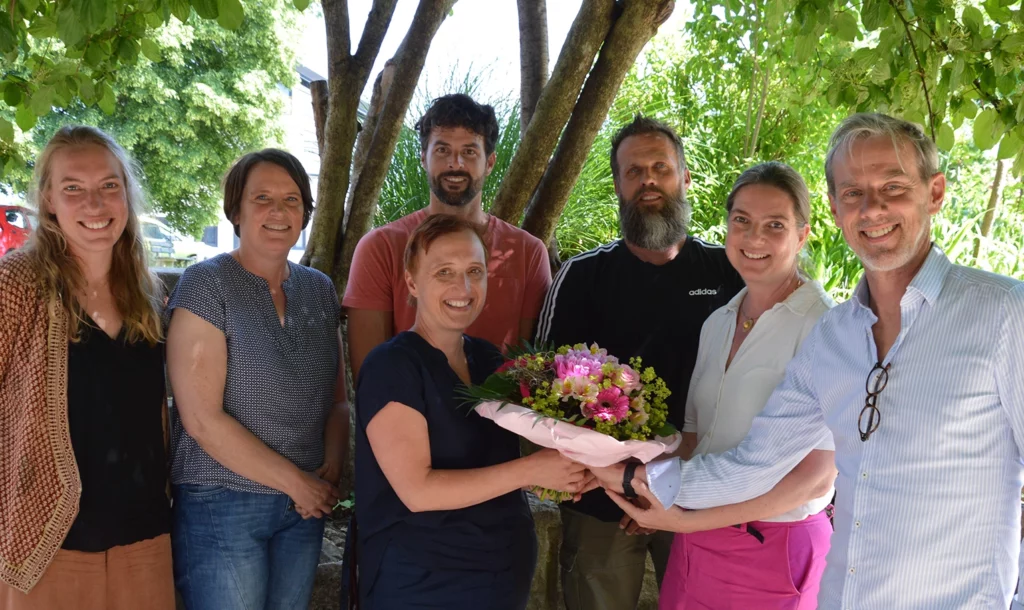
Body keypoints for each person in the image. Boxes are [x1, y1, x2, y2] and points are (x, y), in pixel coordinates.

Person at [594, 113, 1024, 609]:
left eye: (893, 186)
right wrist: (628, 477)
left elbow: (812, 480)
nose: (872, 208)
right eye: (852, 193)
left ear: (936, 193)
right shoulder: (835, 337)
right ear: (837, 209)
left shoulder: (1002, 313)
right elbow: (754, 463)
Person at [537, 115, 744, 610]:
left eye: (661, 168)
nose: (648, 180)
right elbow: (543, 394)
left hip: (702, 494)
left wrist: (671, 481)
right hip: (601, 501)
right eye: (634, 172)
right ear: (618, 186)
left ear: (685, 178)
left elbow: (754, 388)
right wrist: (625, 480)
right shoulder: (581, 278)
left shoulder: (731, 272)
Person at [354, 214, 590, 609]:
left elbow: (515, 457)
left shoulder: (487, 357)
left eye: (474, 271)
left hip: (502, 570)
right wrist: (531, 472)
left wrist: (582, 469)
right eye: (444, 272)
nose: (462, 287)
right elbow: (417, 490)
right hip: (421, 581)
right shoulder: (392, 367)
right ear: (412, 282)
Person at [0, 125, 174, 609]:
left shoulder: (146, 293)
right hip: (48, 544)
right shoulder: (19, 282)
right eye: (73, 188)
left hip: (145, 540)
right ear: (49, 200)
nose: (94, 205)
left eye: (108, 186)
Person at [166, 149, 347, 610]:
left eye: (291, 200)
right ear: (236, 210)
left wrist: (329, 465)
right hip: (222, 500)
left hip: (303, 506)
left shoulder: (319, 289)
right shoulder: (206, 284)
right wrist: (299, 483)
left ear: (305, 213)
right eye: (262, 197)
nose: (278, 211)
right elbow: (202, 420)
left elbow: (337, 398)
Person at [652, 162, 837, 609]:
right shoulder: (716, 322)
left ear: (802, 234)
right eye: (742, 221)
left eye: (775, 225)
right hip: (694, 534)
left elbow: (816, 479)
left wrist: (688, 517)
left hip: (772, 544)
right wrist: (617, 450)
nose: (754, 238)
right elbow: (695, 439)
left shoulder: (827, 327)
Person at [344, 93, 551, 381]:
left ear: (489, 162)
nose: (455, 163)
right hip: (404, 418)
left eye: (469, 151)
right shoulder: (380, 248)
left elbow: (531, 366)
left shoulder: (527, 253)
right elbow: (370, 375)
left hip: (501, 420)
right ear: (423, 159)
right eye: (442, 150)